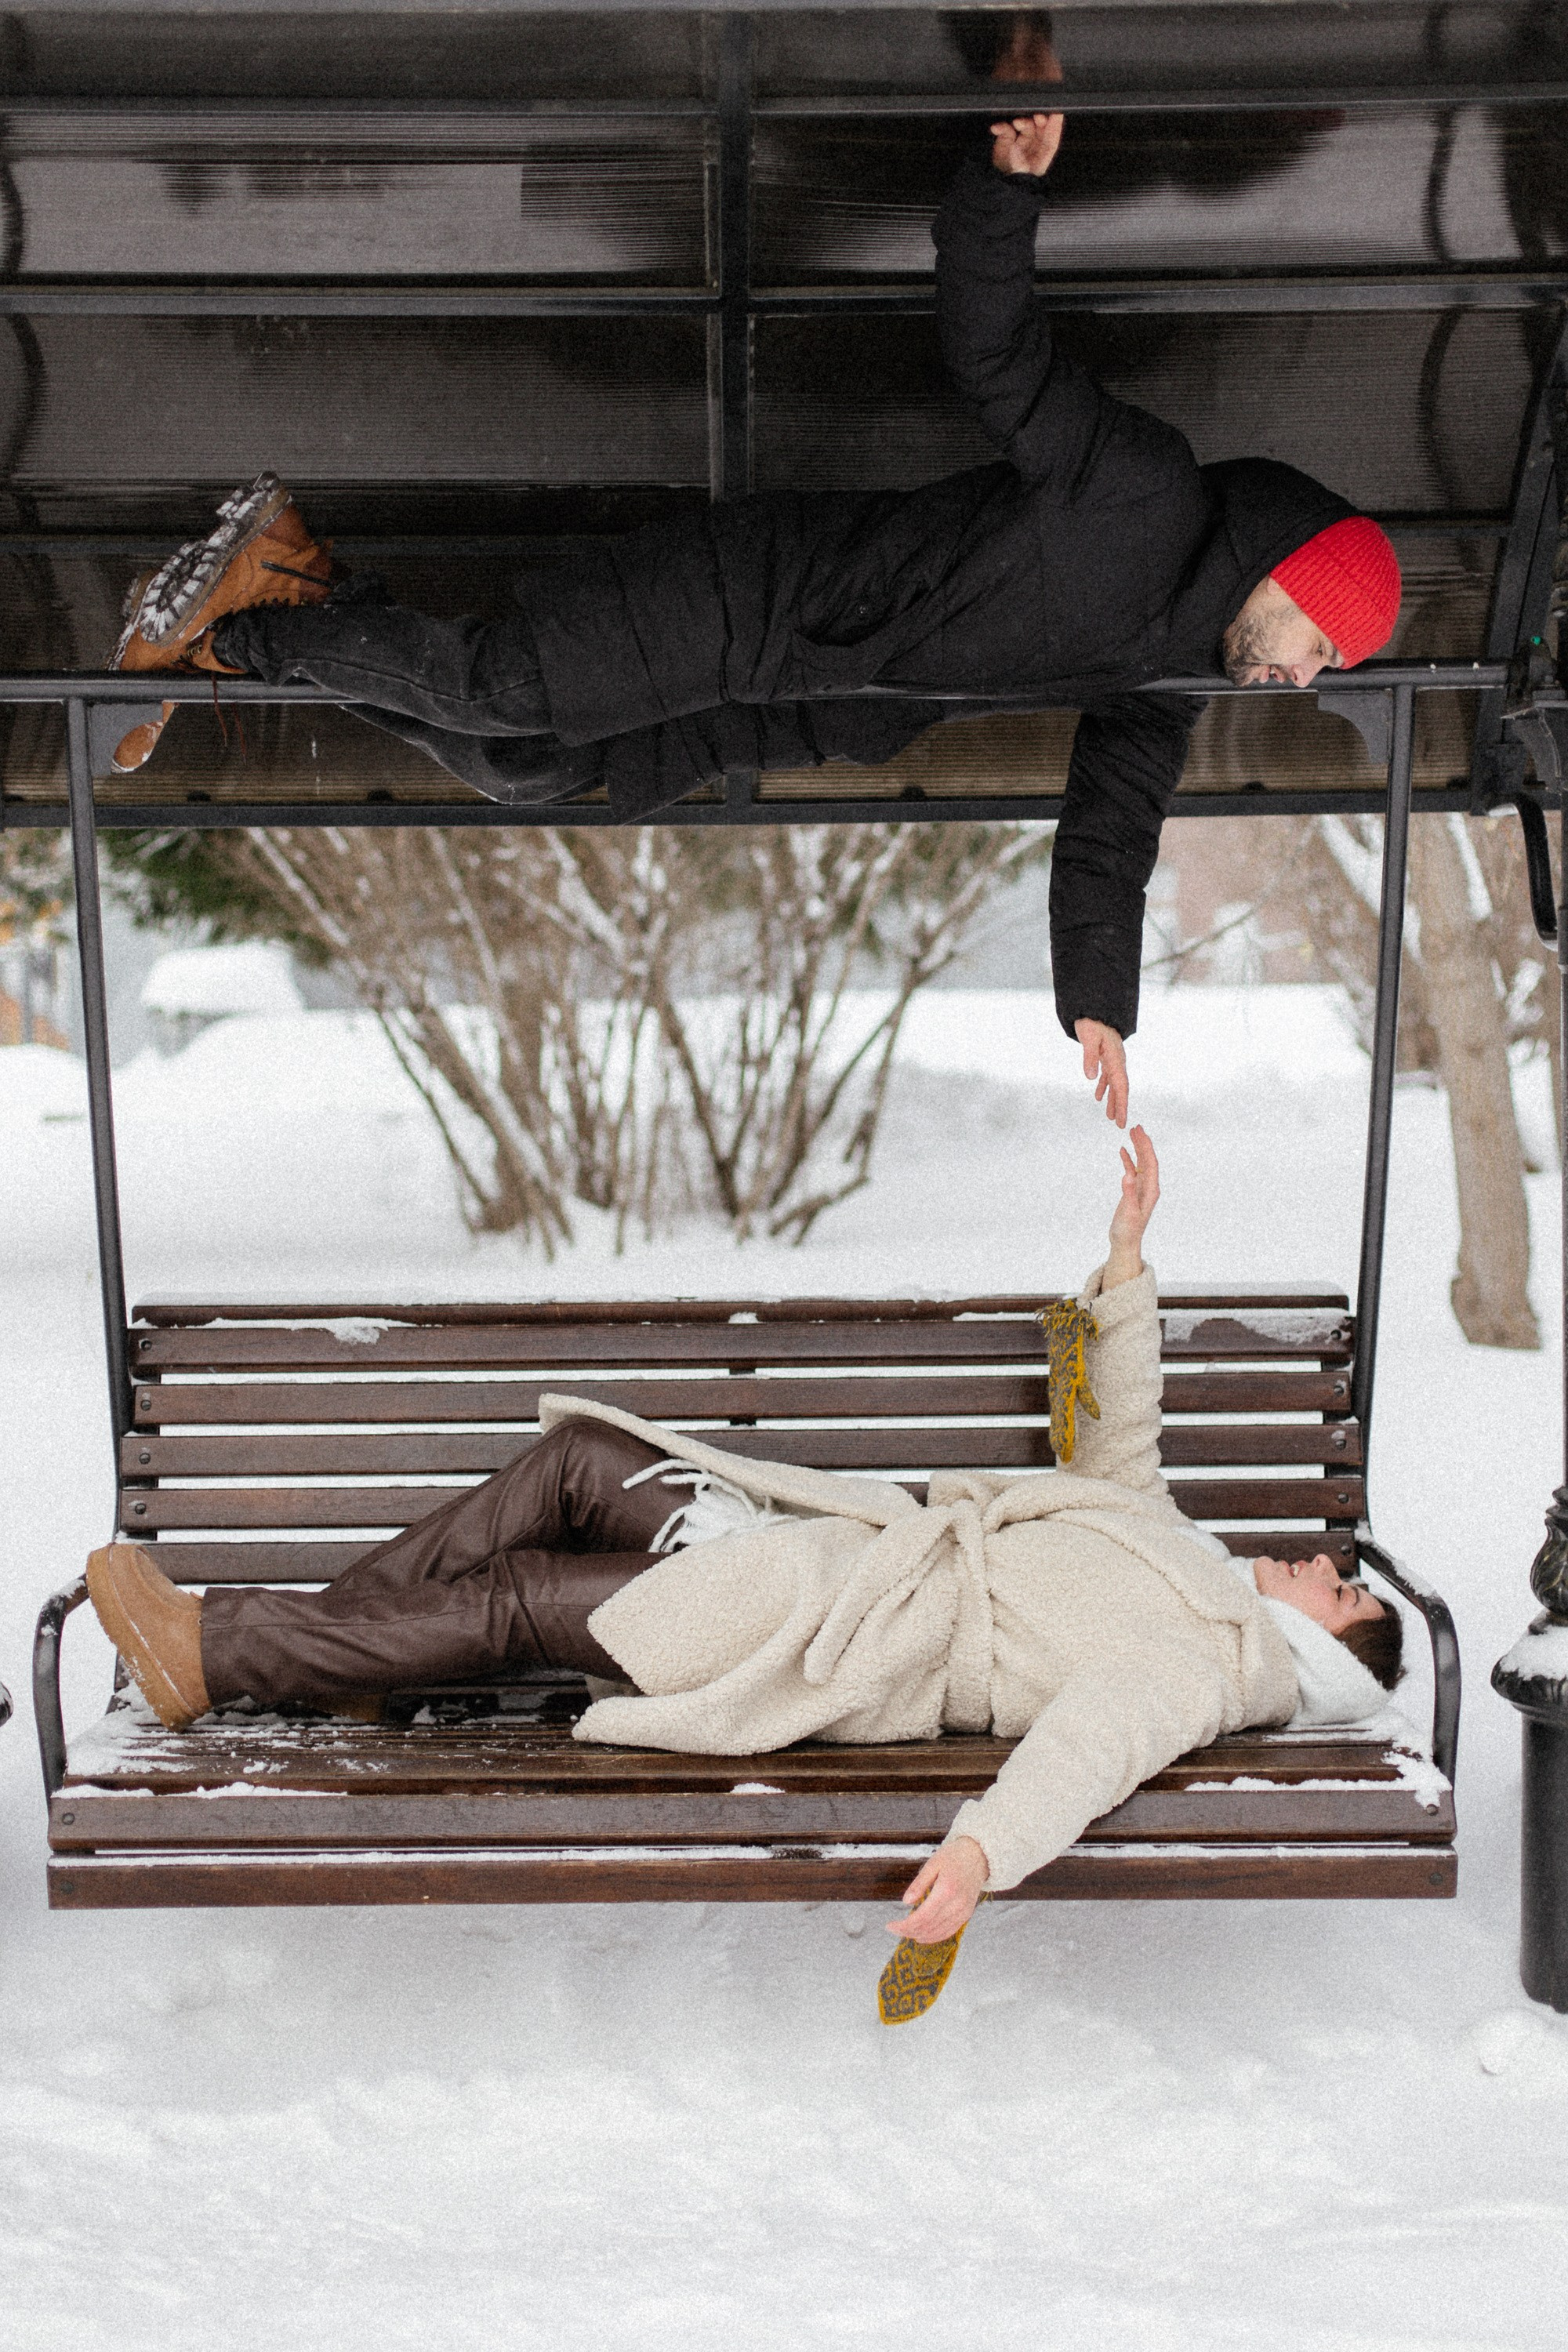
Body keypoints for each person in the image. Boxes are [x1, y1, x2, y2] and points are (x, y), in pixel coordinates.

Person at [106, 111, 1400, 1129]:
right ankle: (231, 627)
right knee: (501, 684)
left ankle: (290, 581)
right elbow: (999, 353)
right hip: (752, 595)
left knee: (523, 766)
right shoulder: (1138, 487)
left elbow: (1112, 837)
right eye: (1322, 648)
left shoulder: (1165, 677)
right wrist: (1002, 194)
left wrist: (1099, 1006)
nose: (1304, 679)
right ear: (1293, 574)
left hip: (777, 705)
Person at [87, 1129, 1403, 1947]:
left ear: (1323, 1651)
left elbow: (1087, 1748)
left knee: (521, 1601)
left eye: (1344, 1594)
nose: (1326, 1567)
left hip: (829, 1632)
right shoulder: (1186, 1559)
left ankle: (220, 1648)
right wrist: (1125, 1257)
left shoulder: (1209, 1668)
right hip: (812, 1553)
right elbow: (1123, 1438)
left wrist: (982, 1855)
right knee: (575, 1462)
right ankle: (341, 1657)